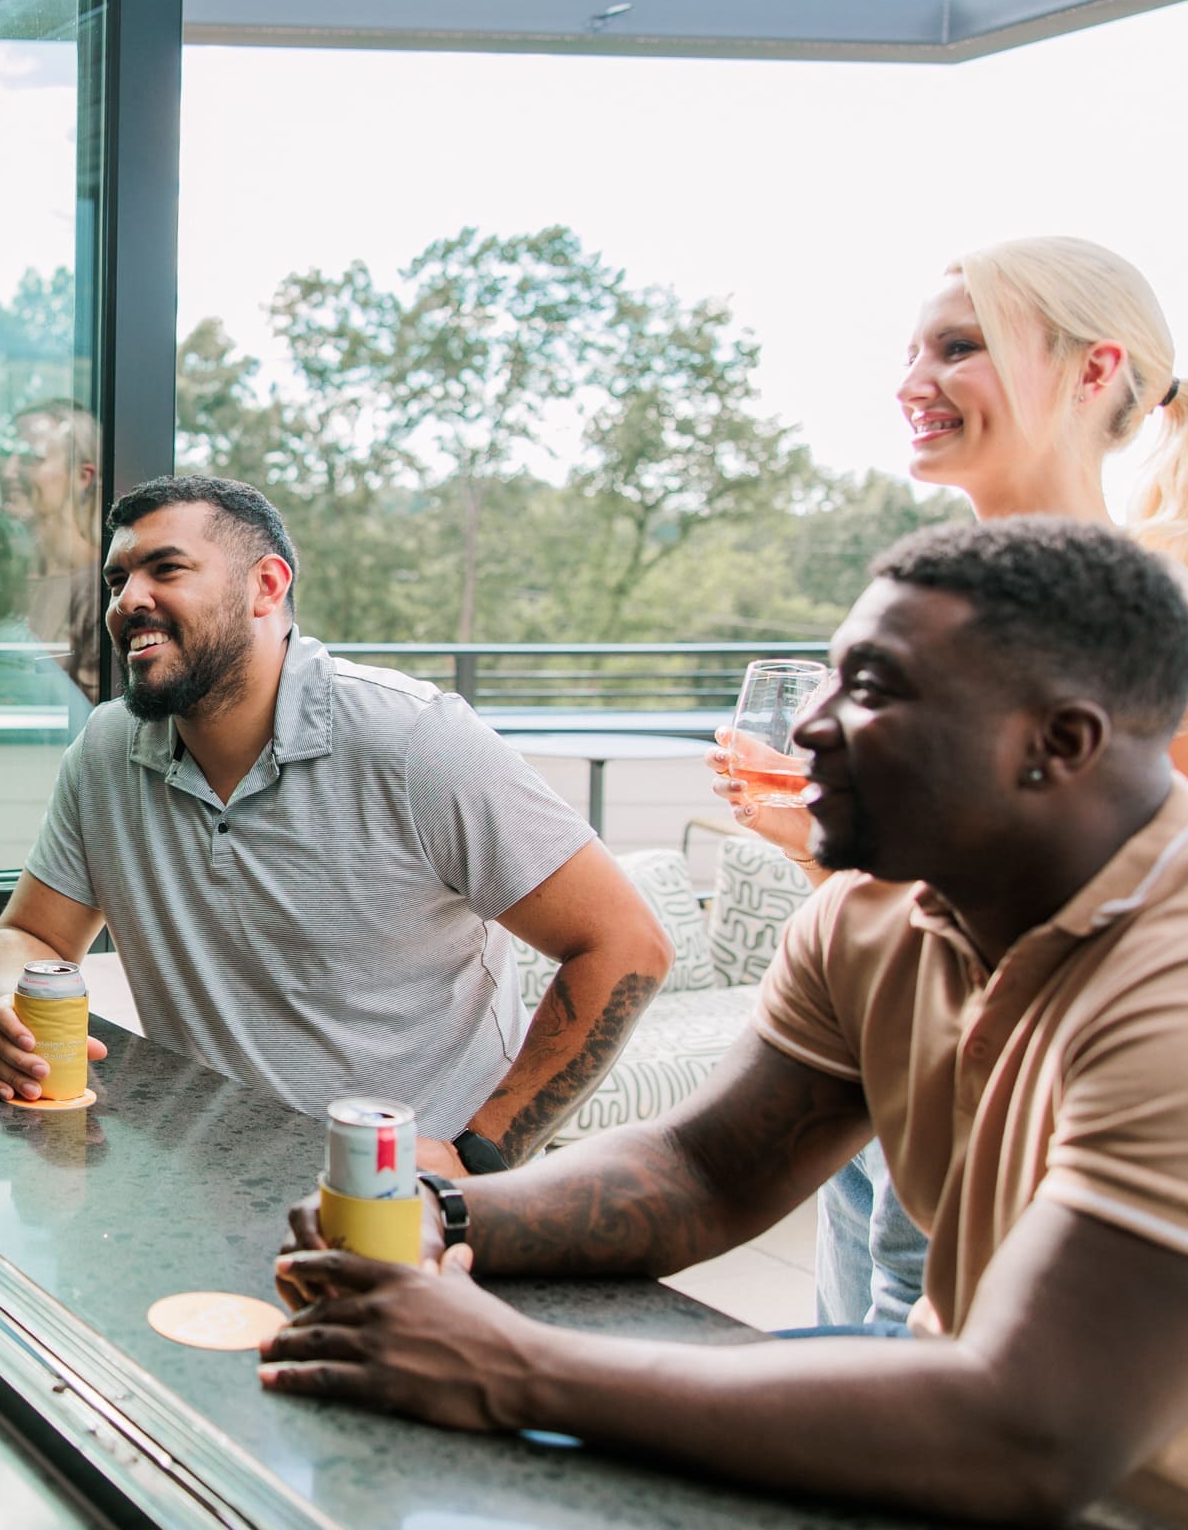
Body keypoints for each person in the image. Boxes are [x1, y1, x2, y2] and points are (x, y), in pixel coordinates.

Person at [270, 517, 1188, 1524]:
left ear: (1058, 742)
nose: (809, 728)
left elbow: (1030, 1432)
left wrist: (507, 1365)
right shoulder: (871, 914)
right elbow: (703, 1169)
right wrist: (435, 1215)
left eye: (872, 687)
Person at [709, 236, 1187, 1329]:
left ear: (1095, 370)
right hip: (881, 1089)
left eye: (959, 348)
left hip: (1038, 1104)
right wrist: (815, 835)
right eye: (912, 350)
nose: (912, 382)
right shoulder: (916, 602)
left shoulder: (1156, 634)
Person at [0, 474, 674, 1174]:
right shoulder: (104, 752)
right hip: (205, 1177)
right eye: (117, 578)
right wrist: (11, 1010)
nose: (128, 601)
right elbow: (31, 934)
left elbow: (626, 944)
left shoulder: (414, 742)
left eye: (167, 569)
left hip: (405, 1203)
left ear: (267, 587)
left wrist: (482, 1155)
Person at [0, 397, 103, 701]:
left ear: (83, 477)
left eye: (32, 458)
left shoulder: (102, 586)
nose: (8, 471)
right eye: (5, 455)